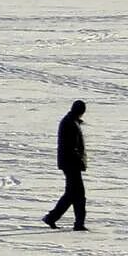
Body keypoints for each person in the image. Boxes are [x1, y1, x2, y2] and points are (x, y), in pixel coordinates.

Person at [43, 99, 88, 230]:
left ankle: (75, 222)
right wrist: (78, 160)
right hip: (71, 163)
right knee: (76, 194)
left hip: (70, 163)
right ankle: (76, 223)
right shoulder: (70, 123)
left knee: (74, 194)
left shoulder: (72, 121)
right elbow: (71, 146)